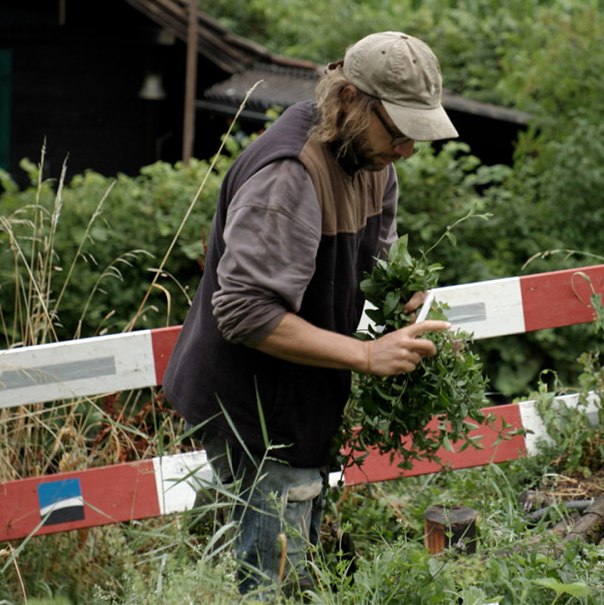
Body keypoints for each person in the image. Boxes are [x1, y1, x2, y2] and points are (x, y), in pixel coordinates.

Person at [162, 31, 457, 598]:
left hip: (301, 401)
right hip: (255, 410)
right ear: (348, 98)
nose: (406, 151)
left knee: (298, 572)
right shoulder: (289, 173)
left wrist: (400, 295)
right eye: (398, 132)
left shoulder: (370, 160)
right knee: (273, 583)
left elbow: (373, 258)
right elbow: (244, 312)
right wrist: (368, 355)